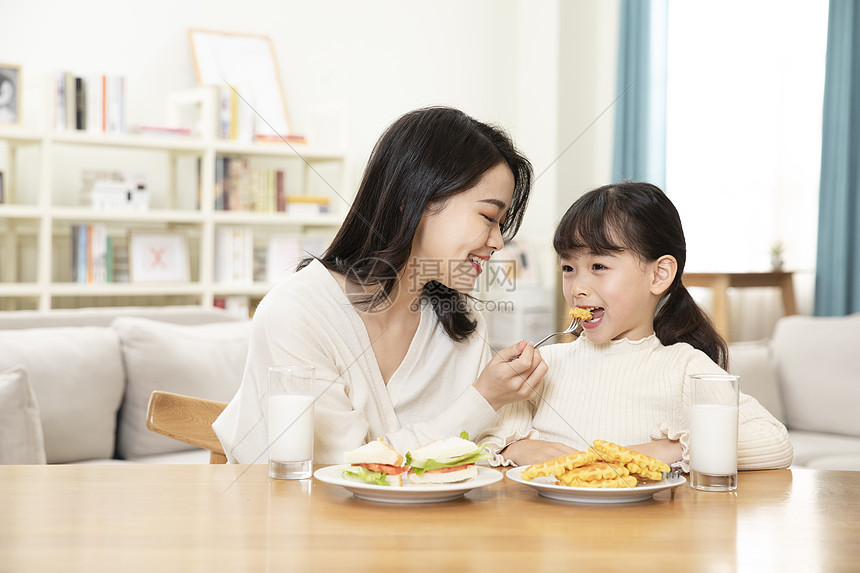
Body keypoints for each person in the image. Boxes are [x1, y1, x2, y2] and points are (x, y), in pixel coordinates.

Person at [214, 106, 548, 464]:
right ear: (412, 200)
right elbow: (348, 466)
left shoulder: (461, 322)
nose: (498, 242)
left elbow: (493, 440)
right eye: (487, 217)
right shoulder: (297, 313)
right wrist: (484, 398)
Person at [478, 182, 793, 471]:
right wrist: (523, 449)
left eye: (599, 266)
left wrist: (664, 451)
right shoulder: (545, 366)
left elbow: (773, 441)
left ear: (658, 275)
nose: (577, 288)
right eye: (569, 268)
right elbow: (486, 443)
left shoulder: (682, 366)